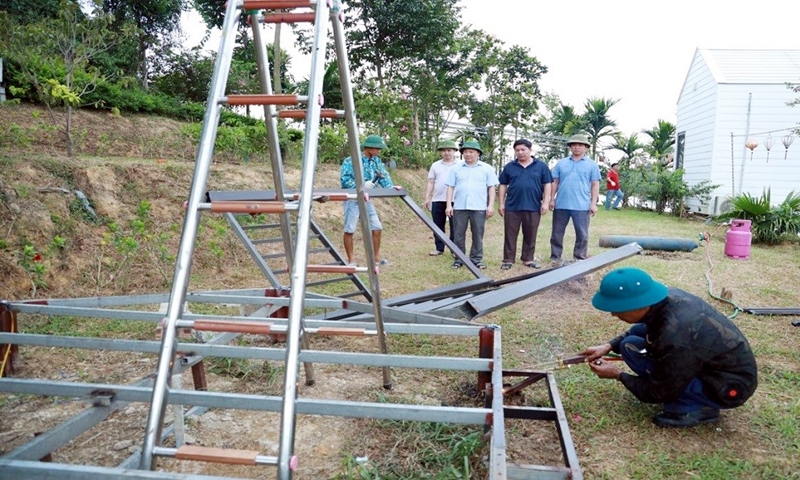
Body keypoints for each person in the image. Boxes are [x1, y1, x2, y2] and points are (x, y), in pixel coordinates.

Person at [582, 267, 758, 428]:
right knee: (629, 346)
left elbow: (658, 392)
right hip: (703, 362)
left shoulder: (675, 334)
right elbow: (642, 329)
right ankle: (688, 392)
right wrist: (608, 346)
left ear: (639, 305)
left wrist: (618, 375)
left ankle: (701, 408)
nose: (614, 314)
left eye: (618, 309)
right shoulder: (664, 300)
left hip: (728, 385)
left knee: (667, 385)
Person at [340, 134, 399, 266]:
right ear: (368, 147)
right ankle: (351, 260)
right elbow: (345, 180)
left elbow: (383, 176)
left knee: (377, 228)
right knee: (350, 229)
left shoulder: (376, 161)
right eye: (377, 148)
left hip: (366, 200)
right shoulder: (351, 160)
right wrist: (361, 185)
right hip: (352, 199)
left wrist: (391, 187)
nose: (379, 151)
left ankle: (376, 258)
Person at [497, 138, 553, 270]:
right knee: (510, 234)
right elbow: (503, 185)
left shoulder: (541, 166)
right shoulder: (510, 167)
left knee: (531, 233)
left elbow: (547, 184)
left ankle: (528, 259)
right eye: (517, 150)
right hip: (512, 206)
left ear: (530, 150)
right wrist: (501, 203)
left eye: (523, 149)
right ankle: (508, 259)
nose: (520, 152)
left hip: (533, 206)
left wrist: (545, 202)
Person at [445, 140, 498, 269]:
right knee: (458, 234)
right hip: (460, 207)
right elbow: (450, 187)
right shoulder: (456, 169)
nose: (468, 154)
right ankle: (459, 259)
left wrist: (490, 205)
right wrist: (449, 205)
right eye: (465, 152)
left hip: (479, 207)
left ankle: (476, 258)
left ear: (478, 153)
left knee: (478, 234)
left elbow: (491, 188)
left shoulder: (487, 168)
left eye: (471, 152)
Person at [548, 133, 601, 264]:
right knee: (557, 233)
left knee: (582, 234)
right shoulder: (561, 163)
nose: (577, 147)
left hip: (582, 205)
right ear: (570, 147)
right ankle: (555, 256)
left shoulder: (592, 165)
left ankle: (579, 256)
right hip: (561, 204)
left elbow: (595, 184)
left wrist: (593, 204)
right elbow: (555, 182)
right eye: (574, 145)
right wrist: (551, 199)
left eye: (580, 145)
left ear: (586, 147)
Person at [424, 140, 461, 256]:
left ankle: (455, 250)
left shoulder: (460, 165)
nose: (447, 153)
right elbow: (431, 182)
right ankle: (439, 248)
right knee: (438, 225)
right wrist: (427, 198)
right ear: (440, 152)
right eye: (444, 151)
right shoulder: (435, 165)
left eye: (449, 150)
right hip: (438, 199)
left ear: (454, 151)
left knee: (455, 226)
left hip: (456, 200)